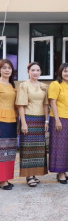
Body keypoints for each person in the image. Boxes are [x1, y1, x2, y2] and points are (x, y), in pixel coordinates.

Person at [16, 62, 49, 187]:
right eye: (33, 70)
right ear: (28, 72)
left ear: (40, 72)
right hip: (28, 119)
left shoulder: (44, 86)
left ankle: (35, 173)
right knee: (28, 148)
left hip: (40, 120)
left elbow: (46, 104)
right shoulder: (24, 86)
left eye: (38, 70)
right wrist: (23, 123)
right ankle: (29, 176)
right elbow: (21, 105)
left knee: (38, 148)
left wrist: (46, 121)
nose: (35, 72)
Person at [48, 63, 68, 185]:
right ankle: (60, 173)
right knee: (58, 147)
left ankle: (64, 171)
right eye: (65, 71)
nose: (67, 73)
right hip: (59, 118)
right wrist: (57, 120)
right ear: (60, 72)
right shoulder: (55, 85)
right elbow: (52, 103)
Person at [0, 59, 17, 190]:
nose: (7, 70)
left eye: (9, 68)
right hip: (1, 120)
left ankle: (5, 177)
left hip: (12, 120)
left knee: (9, 151)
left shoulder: (12, 85)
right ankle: (2, 180)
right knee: (1, 150)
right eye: (4, 67)